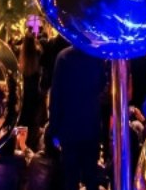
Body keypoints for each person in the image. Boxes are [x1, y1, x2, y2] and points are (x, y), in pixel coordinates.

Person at [48, 44, 108, 190]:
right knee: (90, 175)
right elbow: (101, 86)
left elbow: (56, 95)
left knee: (70, 177)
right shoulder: (96, 56)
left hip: (69, 126)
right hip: (90, 124)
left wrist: (54, 128)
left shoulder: (63, 57)